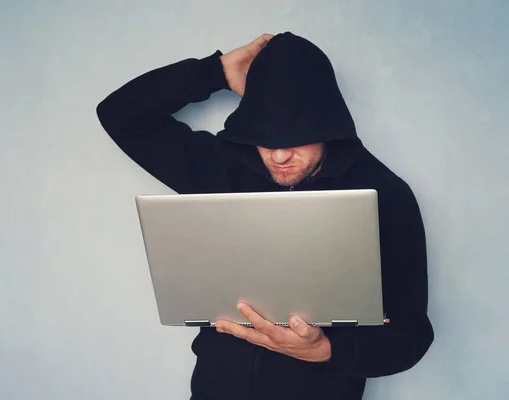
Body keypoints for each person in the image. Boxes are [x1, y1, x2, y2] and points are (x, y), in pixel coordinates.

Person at [96, 31, 434, 400]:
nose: (278, 156)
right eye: (265, 139)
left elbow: (411, 335)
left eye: (295, 139)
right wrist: (216, 71)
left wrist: (325, 350)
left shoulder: (385, 194)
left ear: (328, 125)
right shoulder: (221, 169)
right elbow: (121, 114)